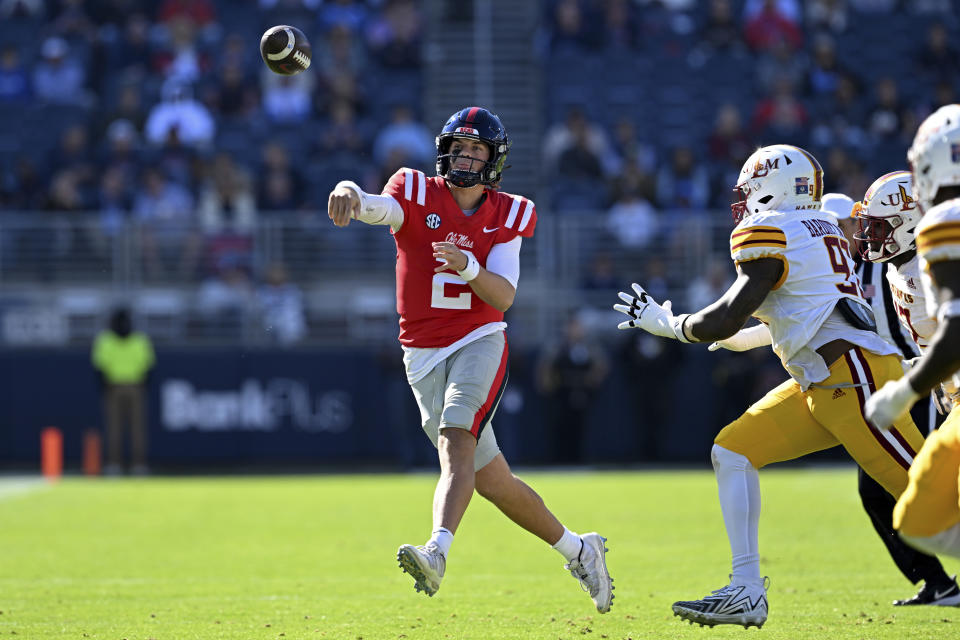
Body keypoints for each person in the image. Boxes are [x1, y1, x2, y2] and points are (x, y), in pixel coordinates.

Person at [614, 144, 926, 628]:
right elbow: (807, 309)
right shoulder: (820, 226)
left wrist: (669, 324)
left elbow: (728, 314)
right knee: (733, 451)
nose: (743, 202)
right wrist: (747, 340)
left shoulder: (773, 229)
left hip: (855, 379)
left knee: (934, 502)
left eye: (749, 190)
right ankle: (746, 589)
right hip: (825, 382)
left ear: (770, 187)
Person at [326, 107, 613, 612]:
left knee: (456, 437)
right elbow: (379, 209)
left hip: (479, 338)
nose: (465, 156)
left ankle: (437, 551)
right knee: (491, 480)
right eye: (458, 148)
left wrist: (470, 265)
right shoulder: (416, 191)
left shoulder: (507, 212)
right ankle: (579, 548)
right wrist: (352, 189)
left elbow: (502, 296)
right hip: (420, 352)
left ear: (494, 158)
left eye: (476, 149)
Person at [830, 183, 959, 606]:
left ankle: (940, 584)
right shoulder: (892, 263)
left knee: (917, 496)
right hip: (933, 385)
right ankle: (939, 584)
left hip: (920, 385)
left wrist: (911, 384)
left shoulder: (929, 260)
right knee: (907, 501)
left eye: (875, 226)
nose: (865, 235)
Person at [866, 104, 960, 562]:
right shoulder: (897, 266)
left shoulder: (944, 222)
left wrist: (905, 391)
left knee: (922, 519)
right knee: (919, 518)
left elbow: (957, 332)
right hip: (951, 393)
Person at [91, 307, 156, 475]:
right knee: (122, 429)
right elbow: (149, 368)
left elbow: (99, 368)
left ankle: (125, 464)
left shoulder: (132, 340)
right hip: (126, 387)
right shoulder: (109, 341)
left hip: (122, 387)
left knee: (128, 429)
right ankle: (128, 464)